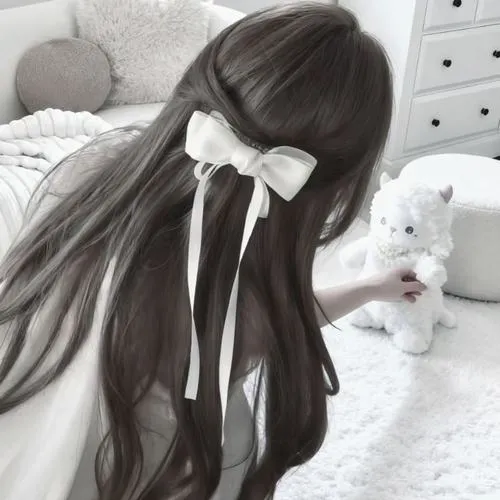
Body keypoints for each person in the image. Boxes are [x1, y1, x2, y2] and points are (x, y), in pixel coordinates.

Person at [0, 3, 425, 500]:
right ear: (336, 191)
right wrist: (365, 289)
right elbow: (278, 320)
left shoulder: (86, 178)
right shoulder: (238, 320)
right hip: (175, 470)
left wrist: (368, 287)